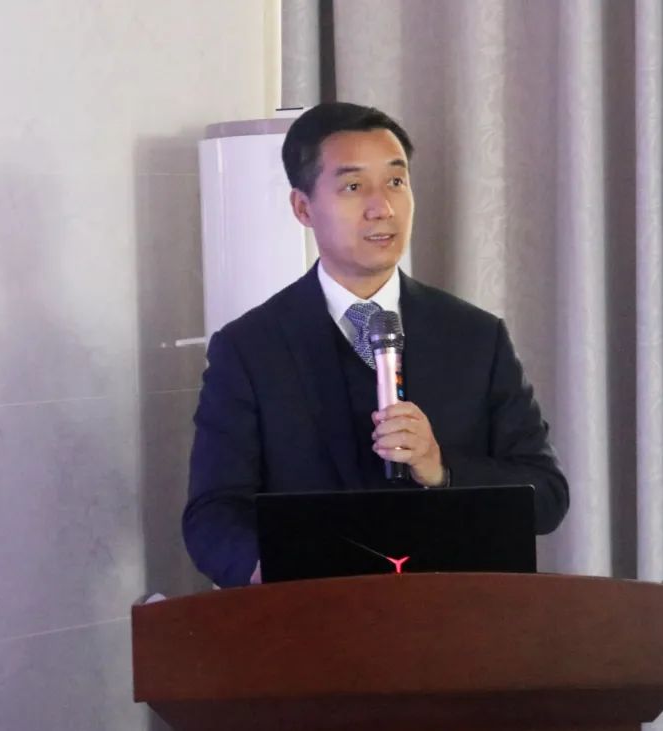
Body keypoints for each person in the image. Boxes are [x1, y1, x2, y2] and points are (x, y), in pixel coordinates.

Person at [183, 102, 569, 587]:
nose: (381, 207)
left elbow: (547, 496)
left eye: (395, 181)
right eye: (353, 186)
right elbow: (212, 514)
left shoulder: (475, 336)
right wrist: (278, 571)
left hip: (454, 614)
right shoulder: (249, 349)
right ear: (303, 208)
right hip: (313, 615)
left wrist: (441, 469)